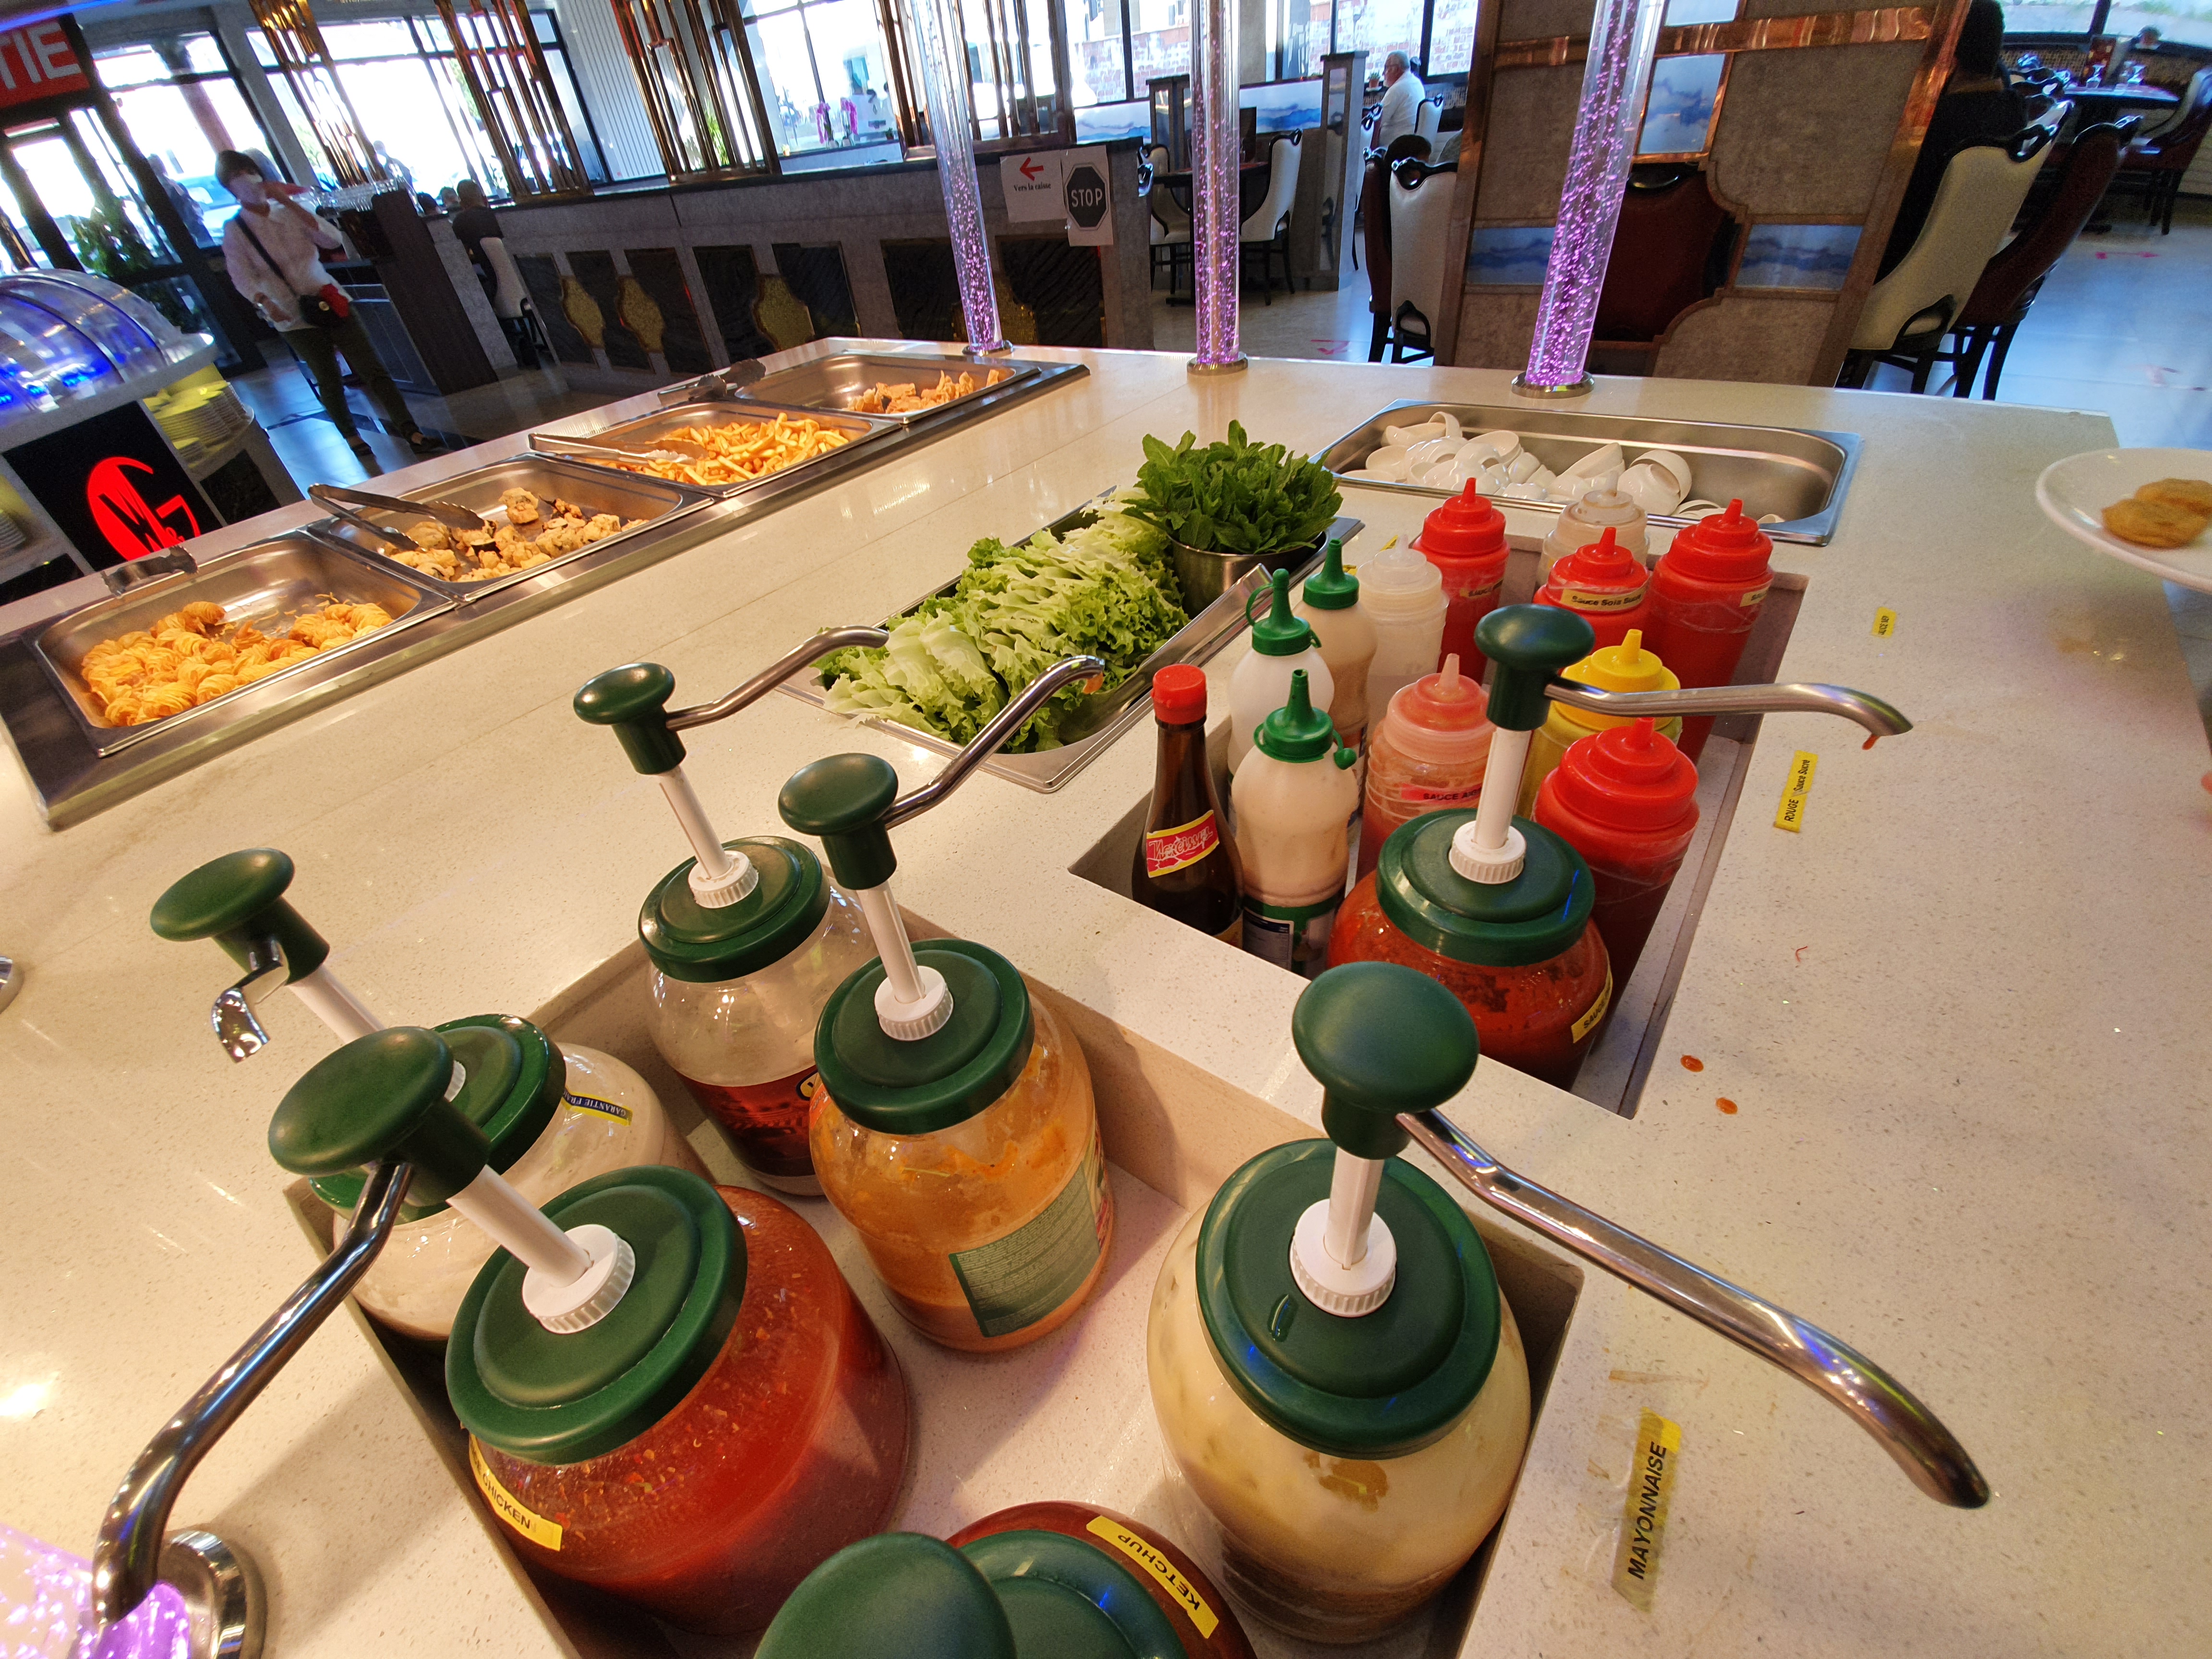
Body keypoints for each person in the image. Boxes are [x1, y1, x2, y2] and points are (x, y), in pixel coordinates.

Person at [214, 150, 437, 460]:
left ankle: (410, 430)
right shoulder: (236, 230)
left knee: (371, 367)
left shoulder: (288, 212)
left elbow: (331, 240)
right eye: (236, 178)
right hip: (290, 313)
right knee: (328, 378)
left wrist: (289, 202)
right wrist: (264, 302)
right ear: (229, 188)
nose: (246, 181)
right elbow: (241, 276)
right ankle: (352, 437)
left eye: (248, 172)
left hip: (329, 298)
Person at [1876, 0, 2029, 277]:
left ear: (1947, 58)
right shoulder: (2012, 108)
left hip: (1899, 266)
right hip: (1959, 264)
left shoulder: (1936, 128)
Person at [449, 178, 501, 276]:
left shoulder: (459, 222)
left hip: (491, 275)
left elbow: (461, 256)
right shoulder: (499, 216)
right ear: (485, 199)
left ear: (462, 204)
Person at [1375, 50, 1426, 151]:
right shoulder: (1416, 83)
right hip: (1410, 144)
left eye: (1387, 68)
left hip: (1394, 148)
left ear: (1397, 69)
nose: (1383, 73)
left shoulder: (1397, 89)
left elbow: (1377, 121)